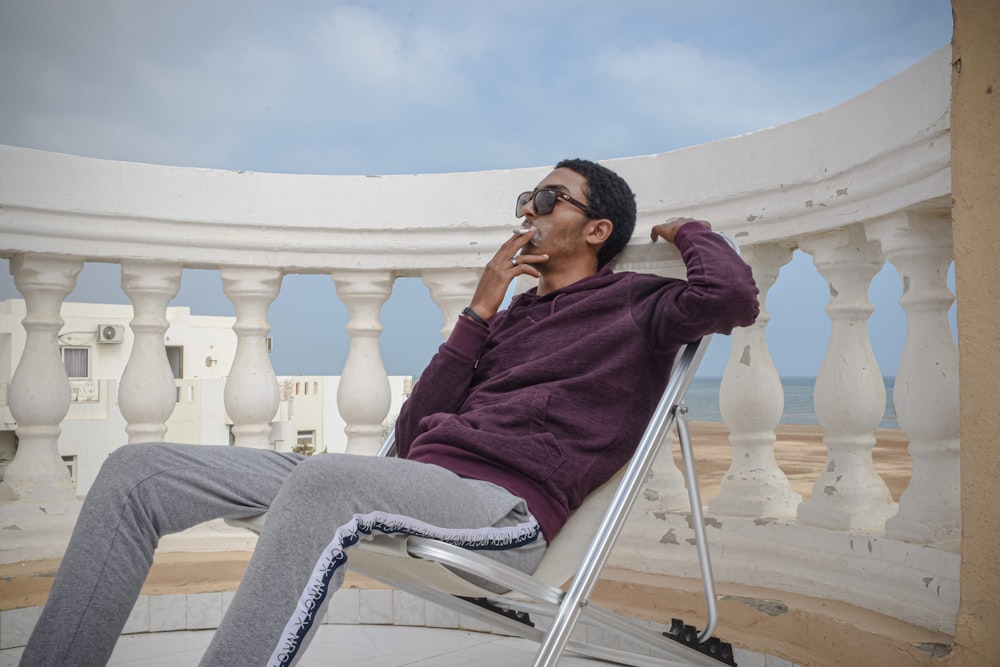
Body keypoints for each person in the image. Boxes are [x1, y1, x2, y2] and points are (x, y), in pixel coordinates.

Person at [21, 158, 758, 666]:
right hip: (419, 485)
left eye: (547, 197)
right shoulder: (504, 322)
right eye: (525, 201)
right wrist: (479, 309)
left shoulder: (638, 305)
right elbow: (411, 437)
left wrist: (687, 232)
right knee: (137, 470)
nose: (528, 211)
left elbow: (731, 298)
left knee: (327, 483)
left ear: (597, 229)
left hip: (504, 509)